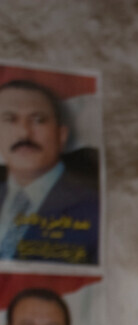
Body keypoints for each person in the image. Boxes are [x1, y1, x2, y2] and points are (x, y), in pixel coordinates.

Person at [0, 78, 100, 267]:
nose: (24, 133)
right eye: (10, 120)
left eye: (38, 120)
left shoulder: (93, 205)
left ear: (61, 135)